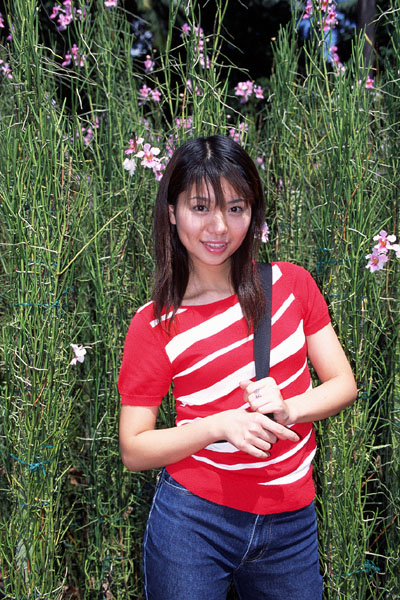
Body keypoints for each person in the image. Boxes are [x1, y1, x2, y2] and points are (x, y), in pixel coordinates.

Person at [118, 134, 357, 600]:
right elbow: (134, 448)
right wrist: (219, 426)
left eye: (235, 208)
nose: (219, 226)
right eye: (200, 207)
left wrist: (291, 409)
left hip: (290, 523)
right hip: (193, 522)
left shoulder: (290, 285)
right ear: (172, 211)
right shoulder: (155, 324)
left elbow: (343, 383)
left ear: (253, 213)